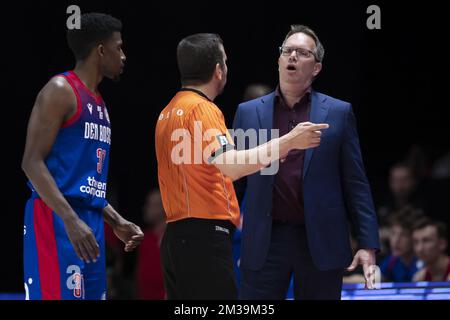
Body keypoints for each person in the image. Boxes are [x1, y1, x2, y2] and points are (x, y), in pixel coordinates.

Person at [155, 33, 328, 299]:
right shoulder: (203, 109)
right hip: (204, 238)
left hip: (176, 238)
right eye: (225, 61)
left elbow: (210, 165)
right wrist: (290, 141)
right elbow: (231, 166)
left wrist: (267, 154)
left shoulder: (167, 112)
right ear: (218, 70)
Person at [232, 24, 380, 300]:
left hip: (320, 240)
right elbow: (233, 178)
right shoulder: (248, 112)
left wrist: (368, 244)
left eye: (302, 52)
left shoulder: (338, 112)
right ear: (278, 59)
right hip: (265, 239)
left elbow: (355, 183)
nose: (292, 57)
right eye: (287, 51)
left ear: (316, 68)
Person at [21, 13, 144, 300]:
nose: (123, 56)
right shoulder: (61, 90)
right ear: (101, 50)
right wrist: (70, 219)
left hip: (89, 223)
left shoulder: (100, 103)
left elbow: (85, 184)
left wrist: (115, 221)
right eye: (119, 47)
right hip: (56, 219)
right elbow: (30, 162)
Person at [135, 189, 166, 300]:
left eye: (151, 205)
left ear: (164, 207)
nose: (146, 209)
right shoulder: (144, 238)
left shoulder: (173, 239)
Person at [379, 209, 422, 282]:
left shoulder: (425, 261)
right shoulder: (391, 261)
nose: (396, 240)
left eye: (404, 235)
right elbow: (375, 281)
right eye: (393, 233)